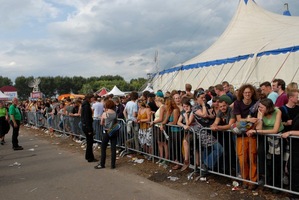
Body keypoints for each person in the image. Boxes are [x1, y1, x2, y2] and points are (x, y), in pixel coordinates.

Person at [247, 98, 284, 191]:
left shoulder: (277, 111)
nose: (259, 109)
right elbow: (259, 128)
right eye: (259, 107)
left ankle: (277, 185)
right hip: (265, 136)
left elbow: (275, 130)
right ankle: (267, 180)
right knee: (262, 155)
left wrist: (256, 131)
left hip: (277, 137)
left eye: (262, 107)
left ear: (268, 108)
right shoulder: (260, 112)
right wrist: (260, 117)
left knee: (276, 160)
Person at [233, 84, 258, 190]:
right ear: (242, 93)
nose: (247, 94)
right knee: (242, 158)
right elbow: (238, 120)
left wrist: (252, 128)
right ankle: (245, 179)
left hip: (252, 134)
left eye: (249, 92)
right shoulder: (237, 103)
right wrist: (248, 120)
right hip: (241, 134)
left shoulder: (256, 104)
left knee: (252, 158)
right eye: (245, 92)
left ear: (252, 93)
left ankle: (253, 180)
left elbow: (257, 119)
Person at [95, 99, 118, 169]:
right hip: (114, 131)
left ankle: (102, 164)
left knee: (103, 147)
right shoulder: (115, 113)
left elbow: (101, 123)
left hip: (107, 131)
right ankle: (113, 165)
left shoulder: (105, 113)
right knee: (113, 148)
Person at [81, 94, 97, 162]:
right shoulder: (86, 106)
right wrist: (89, 129)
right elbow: (87, 118)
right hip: (87, 126)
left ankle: (89, 156)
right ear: (89, 98)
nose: (93, 99)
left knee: (89, 142)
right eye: (93, 98)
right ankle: (90, 157)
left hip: (85, 126)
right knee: (90, 143)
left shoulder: (85, 105)